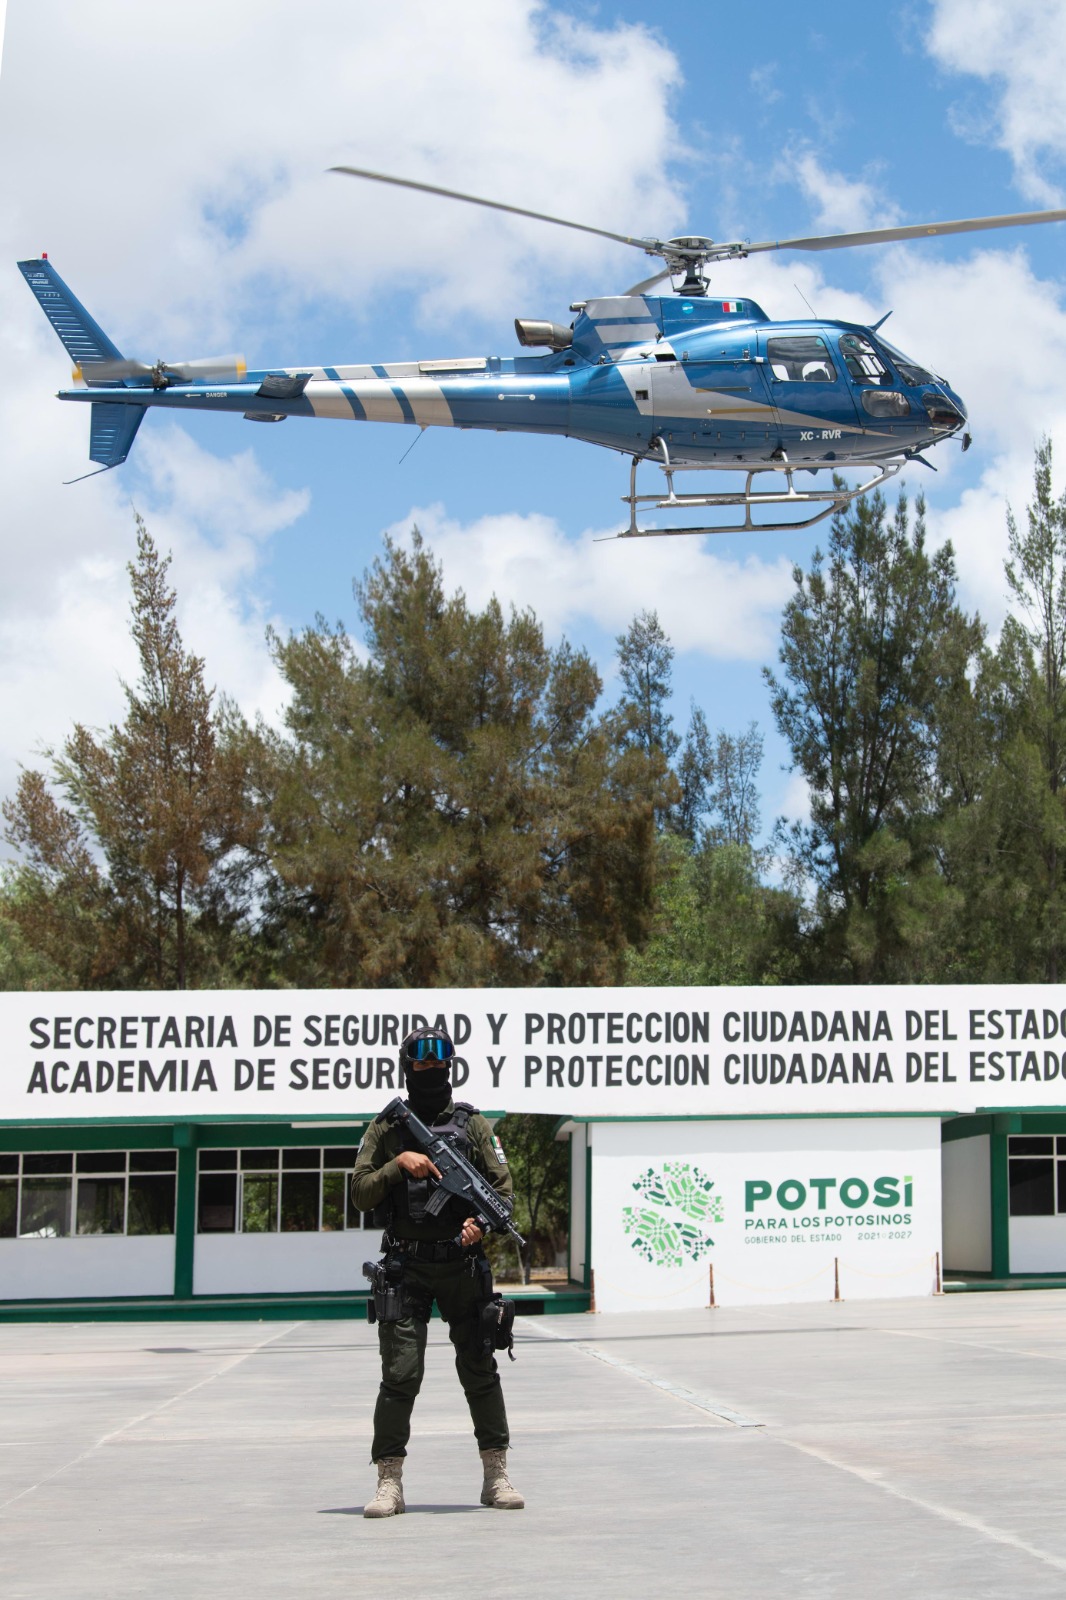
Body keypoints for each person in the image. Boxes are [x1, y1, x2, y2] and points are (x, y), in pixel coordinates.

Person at [352, 1026, 524, 1517]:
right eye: (422, 1063)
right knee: (400, 1376)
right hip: (406, 1267)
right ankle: (389, 1481)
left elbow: (502, 1194)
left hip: (462, 1267)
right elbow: (359, 1192)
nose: (431, 1070)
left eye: (439, 1063)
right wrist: (398, 1164)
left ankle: (496, 1475)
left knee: (480, 1369)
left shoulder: (473, 1125)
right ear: (408, 1068)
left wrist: (479, 1225)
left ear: (450, 1066)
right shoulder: (387, 1127)